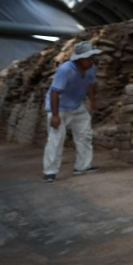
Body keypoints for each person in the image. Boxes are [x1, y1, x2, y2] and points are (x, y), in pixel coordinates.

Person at [42, 41, 102, 183]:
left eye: (92, 57)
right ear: (79, 59)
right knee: (56, 139)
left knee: (85, 135)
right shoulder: (65, 70)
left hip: (76, 106)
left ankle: (83, 166)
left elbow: (90, 84)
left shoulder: (91, 68)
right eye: (88, 58)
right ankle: (50, 172)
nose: (91, 60)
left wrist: (92, 101)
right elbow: (54, 93)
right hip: (59, 107)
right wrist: (55, 116)